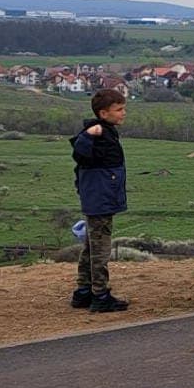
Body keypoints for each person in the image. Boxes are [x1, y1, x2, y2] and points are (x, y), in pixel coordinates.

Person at [70, 88, 130, 313]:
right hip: (100, 199)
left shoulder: (107, 132)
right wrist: (87, 135)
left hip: (100, 197)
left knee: (91, 245)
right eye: (119, 109)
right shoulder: (95, 133)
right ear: (104, 113)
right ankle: (100, 295)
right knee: (100, 248)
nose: (123, 113)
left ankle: (83, 291)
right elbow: (79, 153)